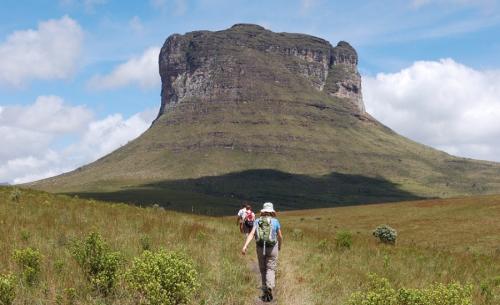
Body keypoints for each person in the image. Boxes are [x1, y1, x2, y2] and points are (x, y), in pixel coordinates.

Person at [241, 202, 282, 302]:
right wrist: (279, 246)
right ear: (271, 212)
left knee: (263, 269)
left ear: (263, 211)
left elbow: (251, 234)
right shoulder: (275, 221)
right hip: (272, 248)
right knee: (271, 268)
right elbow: (280, 236)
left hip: (260, 248)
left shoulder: (258, 221)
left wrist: (245, 246)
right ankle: (270, 287)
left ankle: (265, 292)